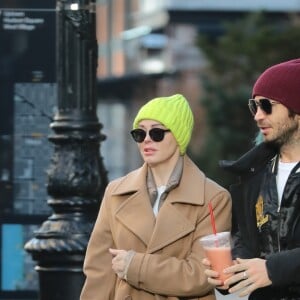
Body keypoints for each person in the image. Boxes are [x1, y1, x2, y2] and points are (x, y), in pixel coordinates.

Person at [80, 94, 232, 300]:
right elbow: (99, 273)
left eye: (157, 133)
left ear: (179, 136)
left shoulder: (213, 198)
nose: (147, 140)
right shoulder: (116, 192)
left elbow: (201, 275)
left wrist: (134, 266)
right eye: (139, 134)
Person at [203, 58, 300, 300]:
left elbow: (269, 266)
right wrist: (231, 271)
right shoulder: (253, 174)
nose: (257, 116)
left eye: (266, 106)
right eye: (254, 106)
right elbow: (249, 245)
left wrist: (273, 269)